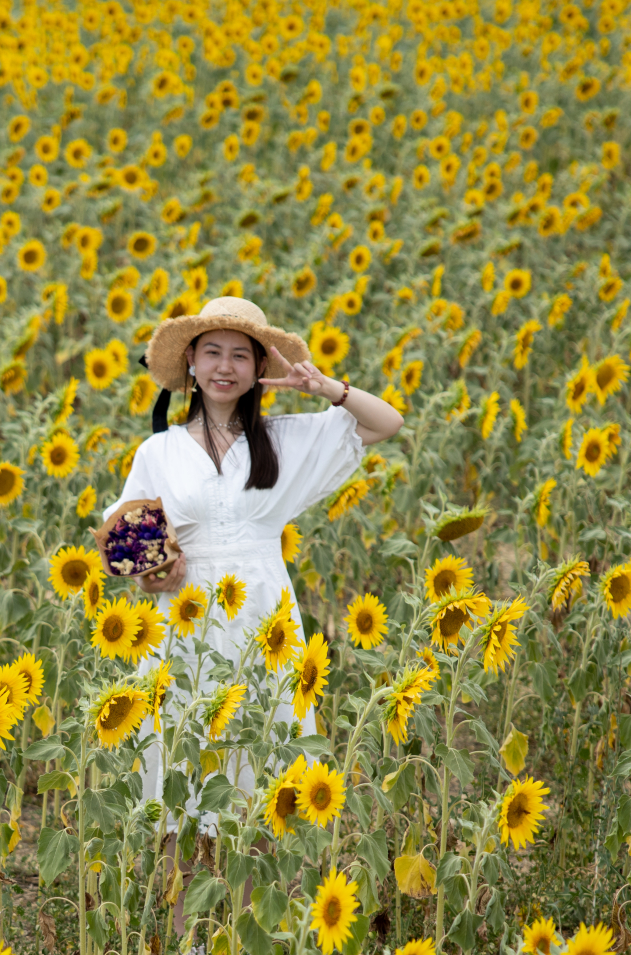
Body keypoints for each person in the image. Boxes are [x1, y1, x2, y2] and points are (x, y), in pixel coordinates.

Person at [99, 294, 404, 831]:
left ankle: (254, 913)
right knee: (182, 781)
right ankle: (184, 917)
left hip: (264, 618)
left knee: (265, 781)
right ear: (190, 361)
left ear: (262, 367)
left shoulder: (285, 439)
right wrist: (154, 577)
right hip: (183, 624)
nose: (225, 366)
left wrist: (326, 389)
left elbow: (387, 423)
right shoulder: (159, 452)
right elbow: (124, 543)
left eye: (240, 355)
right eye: (212, 352)